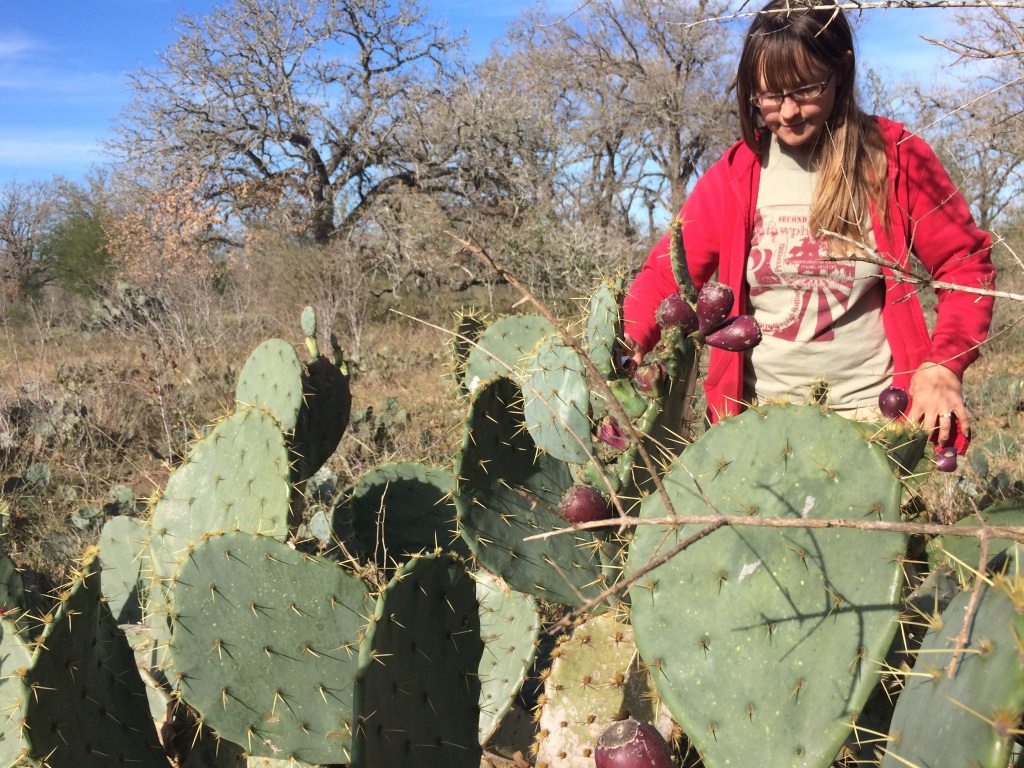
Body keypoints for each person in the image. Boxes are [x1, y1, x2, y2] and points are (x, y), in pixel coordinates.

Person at [622, 0, 995, 454]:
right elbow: (667, 273)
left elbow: (964, 264)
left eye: (806, 89)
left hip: (873, 429)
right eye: (769, 95)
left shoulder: (896, 157)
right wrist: (629, 339)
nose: (788, 112)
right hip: (758, 429)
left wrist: (944, 364)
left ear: (841, 70)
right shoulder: (736, 175)